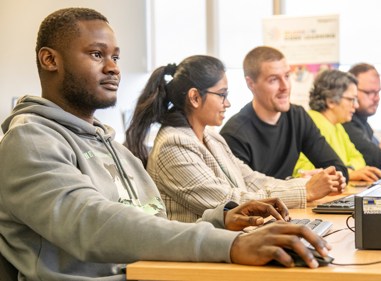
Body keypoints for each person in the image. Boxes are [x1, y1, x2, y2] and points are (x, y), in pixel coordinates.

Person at [0, 8, 332, 280]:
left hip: (147, 273)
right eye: (97, 54)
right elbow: (94, 224)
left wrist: (220, 220)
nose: (113, 67)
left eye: (115, 56)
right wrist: (227, 245)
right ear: (49, 60)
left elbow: (148, 224)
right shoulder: (30, 139)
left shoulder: (111, 146)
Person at [124, 55, 343, 223]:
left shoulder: (209, 136)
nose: (227, 103)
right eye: (222, 95)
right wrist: (305, 191)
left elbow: (251, 179)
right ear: (195, 97)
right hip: (195, 261)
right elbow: (228, 201)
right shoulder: (173, 145)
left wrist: (307, 184)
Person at [220, 46, 349, 185]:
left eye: (287, 76)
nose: (285, 86)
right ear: (251, 84)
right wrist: (298, 184)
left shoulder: (297, 117)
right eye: (273, 79)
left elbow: (339, 169)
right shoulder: (235, 134)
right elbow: (243, 193)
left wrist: (323, 178)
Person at [294, 69, 381, 182]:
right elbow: (303, 169)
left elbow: (359, 158)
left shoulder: (338, 126)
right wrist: (348, 174)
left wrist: (347, 171)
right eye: (351, 99)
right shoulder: (310, 123)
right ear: (331, 101)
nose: (355, 105)